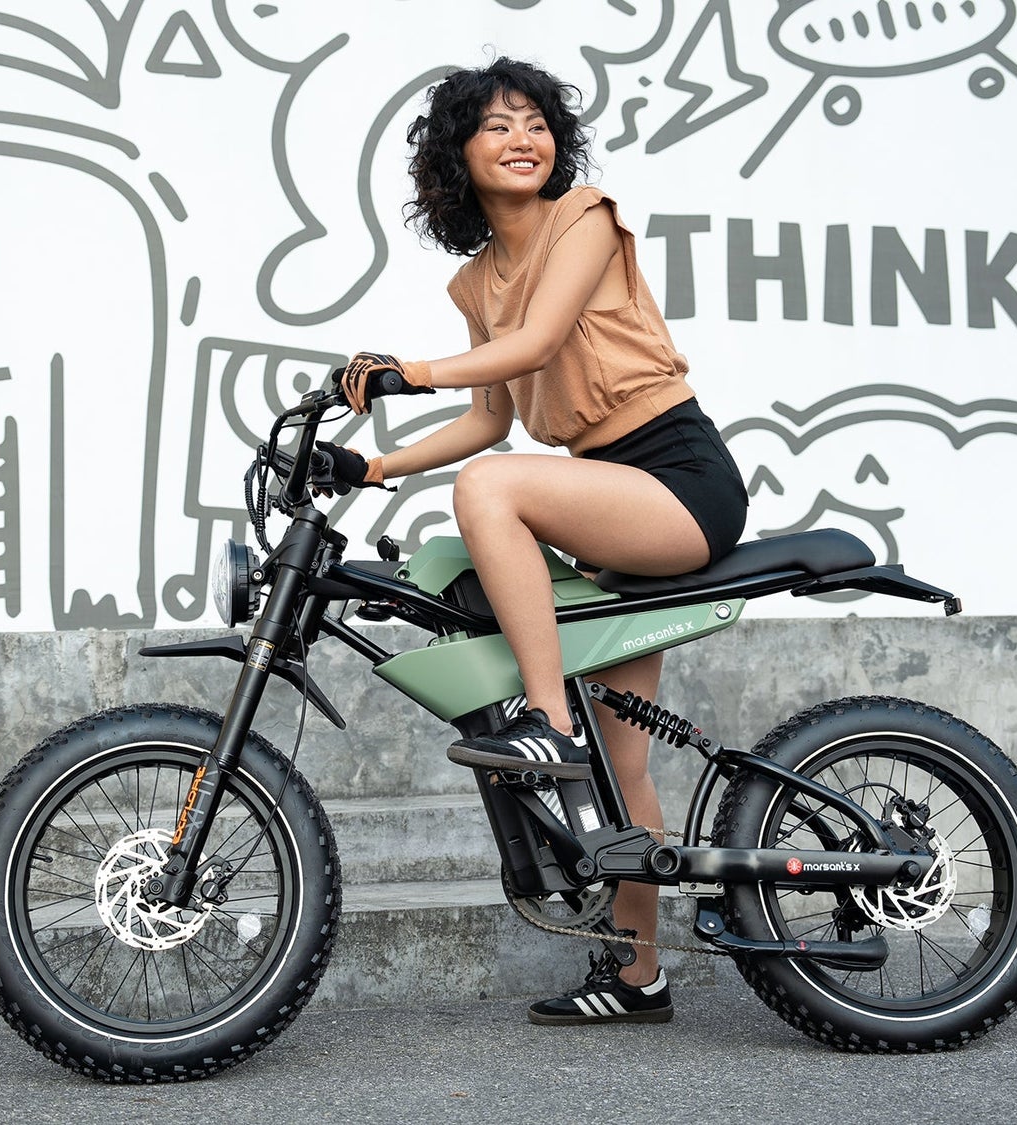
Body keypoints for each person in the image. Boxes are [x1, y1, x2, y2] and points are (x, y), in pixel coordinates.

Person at [320, 57, 748, 1026]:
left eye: (534, 123)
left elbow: (539, 345)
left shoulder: (584, 217)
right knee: (624, 765)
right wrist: (371, 470)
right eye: (495, 127)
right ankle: (634, 975)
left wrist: (401, 373)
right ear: (456, 158)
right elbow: (488, 416)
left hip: (674, 479)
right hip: (599, 497)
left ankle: (542, 721)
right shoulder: (475, 283)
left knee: (491, 494)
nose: (522, 140)